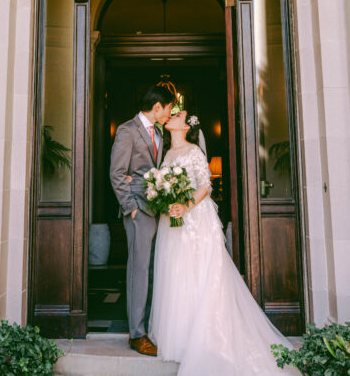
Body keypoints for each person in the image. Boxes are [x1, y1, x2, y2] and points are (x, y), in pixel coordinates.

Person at [150, 110, 300, 375]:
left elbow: (205, 185)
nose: (172, 116)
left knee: (200, 274)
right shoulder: (167, 154)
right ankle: (181, 336)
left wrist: (185, 206)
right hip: (172, 220)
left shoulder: (194, 151)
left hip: (196, 220)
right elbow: (163, 185)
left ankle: (206, 338)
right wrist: (165, 201)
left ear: (185, 127)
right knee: (177, 273)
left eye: (178, 115)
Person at [110, 84, 175, 356]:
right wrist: (131, 208)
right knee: (138, 271)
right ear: (157, 106)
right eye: (169, 108)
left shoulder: (159, 132)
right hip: (138, 210)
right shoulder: (127, 130)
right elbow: (117, 173)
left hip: (157, 209)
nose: (170, 114)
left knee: (152, 270)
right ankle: (136, 334)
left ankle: (150, 326)